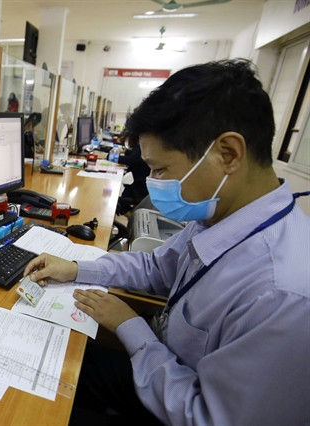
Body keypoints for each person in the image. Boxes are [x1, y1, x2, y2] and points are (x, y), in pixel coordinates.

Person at [24, 59, 310, 425]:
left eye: (160, 170)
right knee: (50, 361)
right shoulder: (221, 214)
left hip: (178, 404)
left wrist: (131, 327)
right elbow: (157, 266)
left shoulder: (281, 294)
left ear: (228, 154)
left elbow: (205, 417)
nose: (155, 182)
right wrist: (77, 268)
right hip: (165, 369)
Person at [115, 130, 150, 215]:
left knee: (111, 201)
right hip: (138, 185)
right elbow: (135, 155)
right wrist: (125, 152)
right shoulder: (143, 143)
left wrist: (110, 156)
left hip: (138, 188)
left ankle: (130, 217)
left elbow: (132, 160)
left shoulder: (142, 144)